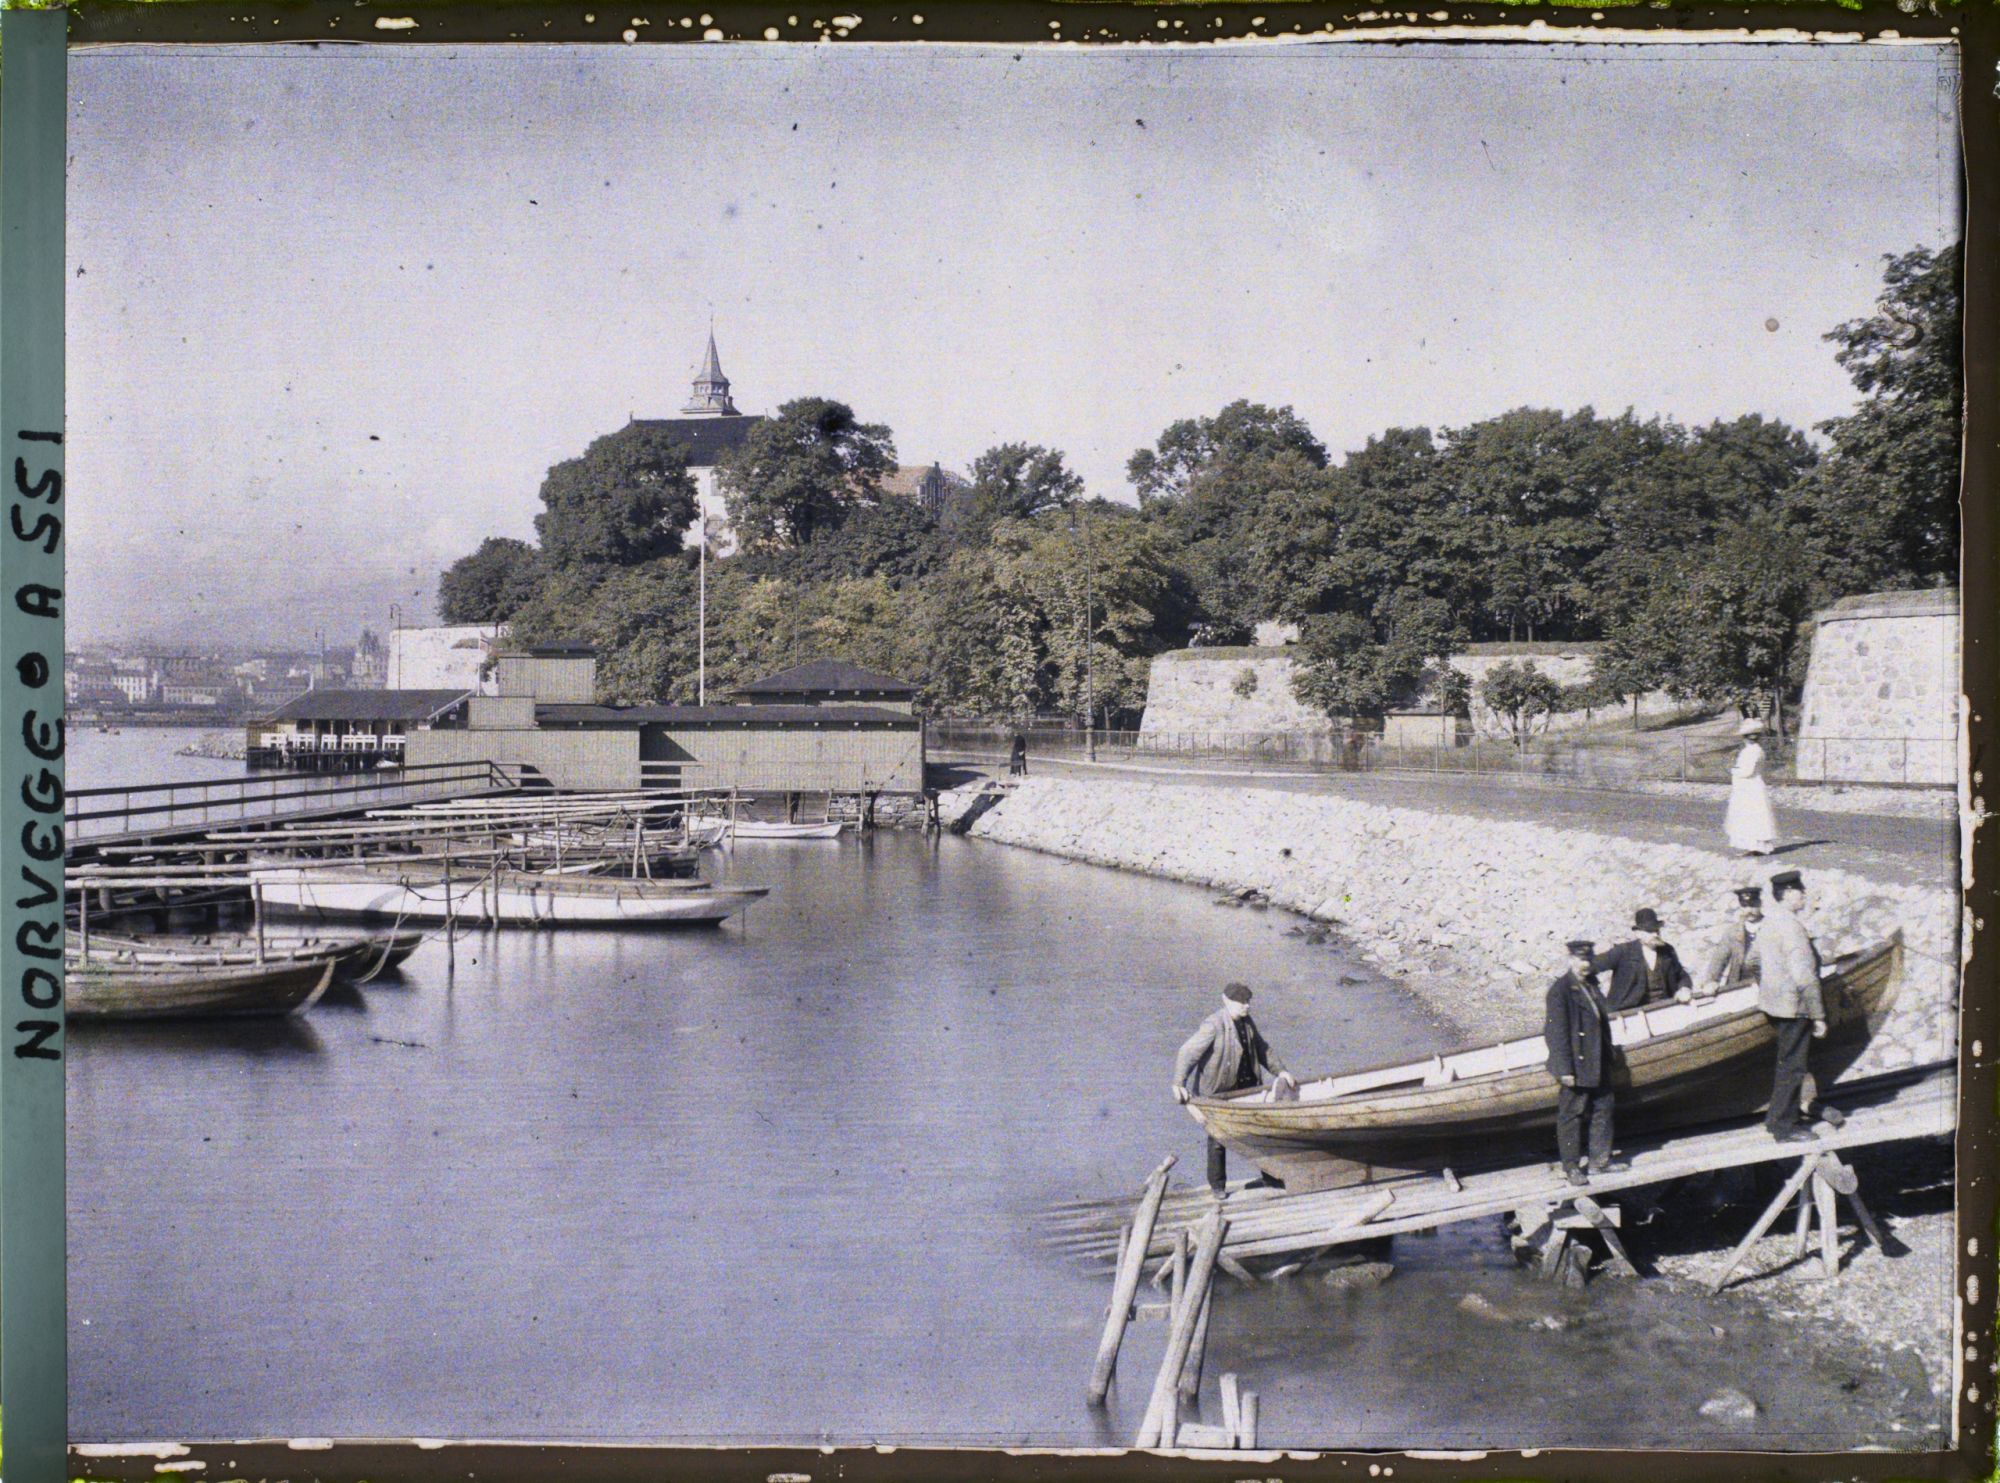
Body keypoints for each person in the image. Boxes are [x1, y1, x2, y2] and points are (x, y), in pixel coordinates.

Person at [1172, 983, 1296, 1194]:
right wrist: (1178, 1083)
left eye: (1248, 1001)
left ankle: (1270, 1178)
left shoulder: (1247, 1022)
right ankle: (1218, 1187)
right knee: (1218, 1139)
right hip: (1218, 1091)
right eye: (1241, 1002)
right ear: (1226, 1001)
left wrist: (1281, 1071)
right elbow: (1187, 1052)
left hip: (1246, 1087)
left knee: (1260, 1131)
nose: (1246, 1006)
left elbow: (1262, 1049)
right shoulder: (1213, 1024)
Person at [1746, 869, 1826, 1142]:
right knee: (1793, 1066)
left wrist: (1770, 985)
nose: (1804, 895)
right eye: (1800, 891)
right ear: (1789, 894)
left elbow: (1752, 961)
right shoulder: (1792, 926)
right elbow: (1805, 975)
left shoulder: (1768, 924)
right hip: (1795, 1007)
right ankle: (1784, 1127)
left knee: (1786, 1063)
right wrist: (1818, 1015)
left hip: (1774, 1005)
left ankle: (1777, 1119)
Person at [1545, 938, 1621, 1186]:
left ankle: (1600, 1161)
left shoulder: (1591, 984)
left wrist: (1610, 1055)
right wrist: (1564, 1069)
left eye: (1588, 959)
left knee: (1604, 1109)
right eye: (1580, 960)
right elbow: (1555, 1034)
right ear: (1571, 960)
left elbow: (1601, 1023)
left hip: (1598, 1059)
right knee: (1571, 1115)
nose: (1585, 964)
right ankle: (1571, 1167)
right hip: (1577, 1065)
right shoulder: (1561, 991)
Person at [1592, 908, 1694, 1011]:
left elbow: (1682, 975)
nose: (1655, 934)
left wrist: (1684, 988)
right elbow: (1590, 967)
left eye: (1656, 930)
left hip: (1664, 1008)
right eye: (1650, 931)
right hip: (1630, 1014)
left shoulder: (1668, 951)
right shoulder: (1623, 952)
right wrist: (1600, 1002)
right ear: (1638, 933)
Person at [1725, 717, 1779, 855]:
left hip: (1750, 786)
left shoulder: (1752, 751)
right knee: (1751, 815)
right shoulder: (1753, 750)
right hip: (1749, 785)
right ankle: (1755, 845)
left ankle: (1756, 846)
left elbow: (1746, 771)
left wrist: (1733, 770)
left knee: (1751, 815)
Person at [1702, 886, 1765, 993]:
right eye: (1745, 906)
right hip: (1740, 986)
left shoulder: (1772, 928)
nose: (1749, 910)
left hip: (1769, 985)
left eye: (1753, 905)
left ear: (1760, 904)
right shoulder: (1732, 932)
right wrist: (1711, 981)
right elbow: (1719, 959)